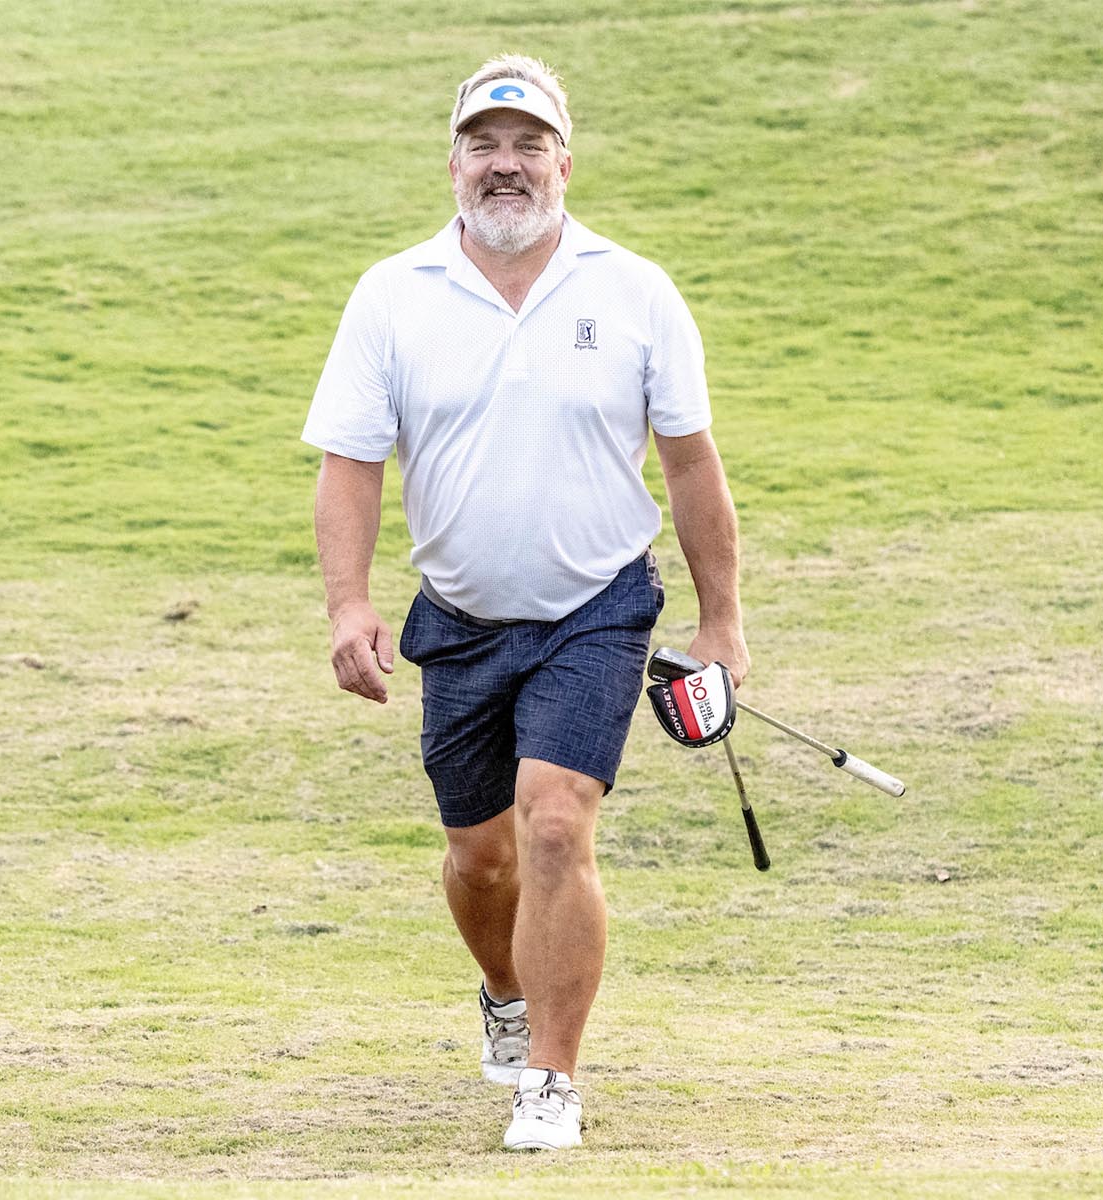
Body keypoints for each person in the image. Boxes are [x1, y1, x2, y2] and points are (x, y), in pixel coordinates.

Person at [303, 56, 748, 1151]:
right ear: (454, 163)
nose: (506, 165)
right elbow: (351, 463)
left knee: (553, 821)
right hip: (458, 617)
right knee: (482, 857)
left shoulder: (634, 291)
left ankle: (552, 1075)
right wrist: (348, 604)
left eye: (529, 145)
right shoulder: (393, 293)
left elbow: (691, 465)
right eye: (485, 146)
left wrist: (720, 623)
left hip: (597, 607)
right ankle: (505, 991)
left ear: (564, 163)